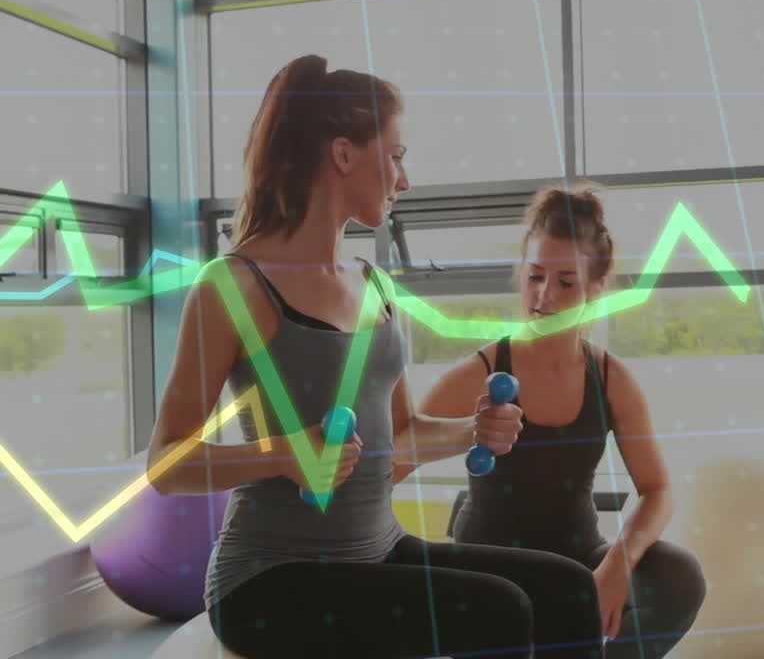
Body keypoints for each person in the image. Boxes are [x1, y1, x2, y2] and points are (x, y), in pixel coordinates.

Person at [145, 54, 604, 659]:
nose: (403, 180)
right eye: (396, 156)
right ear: (343, 154)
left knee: (568, 587)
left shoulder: (375, 285)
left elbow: (403, 434)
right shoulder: (234, 286)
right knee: (501, 611)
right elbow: (167, 464)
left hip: (377, 547)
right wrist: (287, 453)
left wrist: (475, 430)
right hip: (268, 579)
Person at [415, 184, 707, 659]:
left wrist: (617, 563)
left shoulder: (611, 379)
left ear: (596, 287)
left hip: (577, 561)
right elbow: (402, 447)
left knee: (680, 576)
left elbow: (658, 490)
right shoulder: (481, 372)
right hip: (493, 573)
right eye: (535, 277)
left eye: (566, 282)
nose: (544, 296)